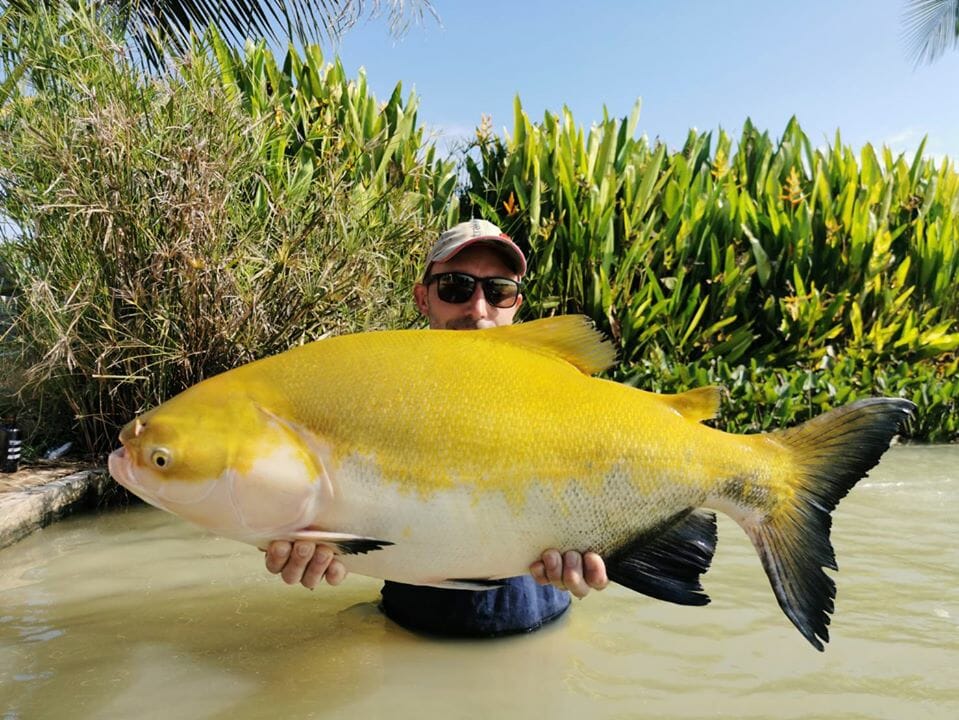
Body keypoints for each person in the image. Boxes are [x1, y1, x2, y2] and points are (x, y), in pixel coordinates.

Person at [264, 219, 608, 636]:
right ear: (423, 298)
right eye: (456, 288)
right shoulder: (380, 392)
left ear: (516, 305)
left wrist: (603, 553)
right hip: (409, 630)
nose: (477, 310)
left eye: (498, 291)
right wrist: (308, 539)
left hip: (544, 631)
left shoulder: (566, 397)